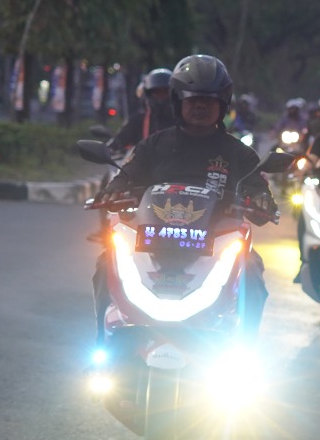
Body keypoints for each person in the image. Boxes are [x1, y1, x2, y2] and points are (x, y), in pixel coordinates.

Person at [95, 54, 277, 338]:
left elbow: (256, 185)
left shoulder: (238, 153)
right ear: (178, 101)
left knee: (252, 270)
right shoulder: (154, 145)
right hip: (150, 239)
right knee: (106, 262)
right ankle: (103, 340)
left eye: (209, 101)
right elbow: (128, 174)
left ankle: (244, 346)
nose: (201, 107)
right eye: (193, 100)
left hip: (215, 243)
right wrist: (115, 189)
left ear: (223, 104)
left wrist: (262, 201)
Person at [108, 68, 174, 151]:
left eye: (165, 92)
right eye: (157, 92)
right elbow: (117, 143)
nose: (161, 97)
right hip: (144, 163)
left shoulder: (182, 120)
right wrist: (108, 149)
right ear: (147, 94)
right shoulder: (137, 121)